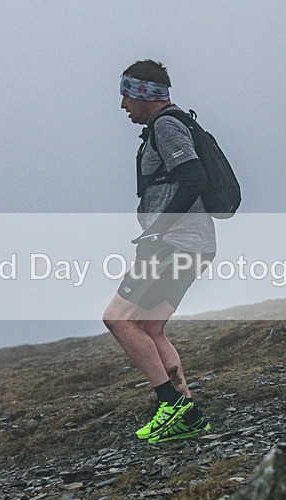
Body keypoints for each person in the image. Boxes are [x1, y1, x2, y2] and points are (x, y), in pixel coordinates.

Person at [103, 59, 216, 443]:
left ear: (142, 95)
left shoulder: (166, 126)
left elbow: (193, 177)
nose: (122, 106)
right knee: (150, 328)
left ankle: (170, 404)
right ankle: (188, 413)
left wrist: (158, 231)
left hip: (173, 243)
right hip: (191, 243)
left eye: (126, 95)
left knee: (117, 319)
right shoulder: (166, 125)